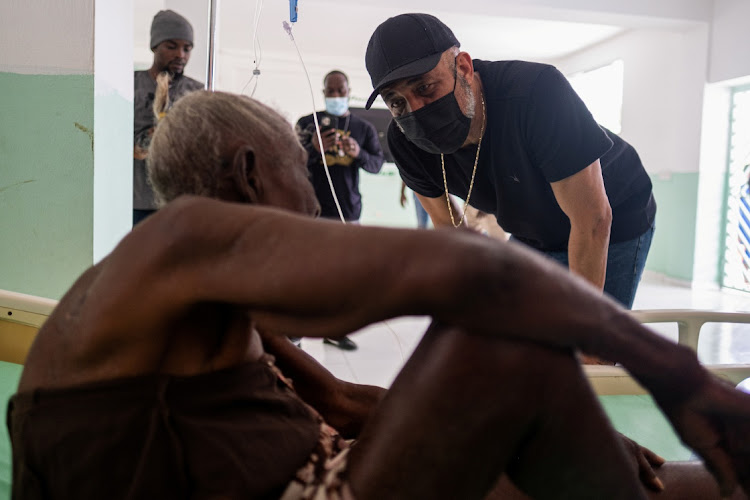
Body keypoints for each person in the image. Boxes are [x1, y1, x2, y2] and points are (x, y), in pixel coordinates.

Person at [8, 90, 750, 500]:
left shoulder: (187, 297)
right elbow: (480, 269)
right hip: (316, 490)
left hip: (328, 468)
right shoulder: (188, 235)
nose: (311, 188)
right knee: (501, 336)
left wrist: (552, 420)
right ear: (247, 171)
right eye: (298, 166)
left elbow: (342, 405)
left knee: (674, 483)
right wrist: (680, 377)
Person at [364, 13, 656, 310]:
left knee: (591, 341)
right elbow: (448, 226)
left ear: (463, 67)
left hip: (612, 216)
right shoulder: (405, 142)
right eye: (396, 101)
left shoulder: (537, 94)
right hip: (531, 231)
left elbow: (593, 220)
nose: (415, 109)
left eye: (424, 87)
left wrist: (589, 341)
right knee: (508, 328)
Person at [296, 70, 385, 351]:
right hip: (311, 211)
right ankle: (294, 334)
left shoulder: (363, 128)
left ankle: (335, 330)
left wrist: (357, 152)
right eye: (330, 91)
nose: (335, 96)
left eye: (340, 91)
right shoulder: (306, 124)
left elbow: (376, 165)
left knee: (343, 278)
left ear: (349, 92)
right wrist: (313, 149)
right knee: (304, 275)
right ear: (323, 92)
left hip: (348, 211)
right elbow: (288, 164)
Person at [133, 9, 204, 226]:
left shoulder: (197, 92)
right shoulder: (131, 85)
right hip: (134, 199)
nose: (180, 55)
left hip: (177, 202)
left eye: (187, 48)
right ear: (155, 46)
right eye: (171, 46)